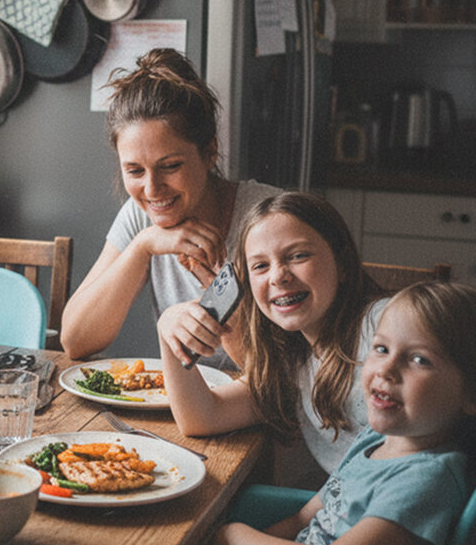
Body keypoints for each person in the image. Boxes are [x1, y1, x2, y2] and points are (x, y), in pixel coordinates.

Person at [208, 281, 476, 545]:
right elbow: (304, 520)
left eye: (419, 359)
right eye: (381, 349)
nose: (386, 369)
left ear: (475, 396)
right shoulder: (378, 439)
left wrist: (231, 537)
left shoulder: (423, 483)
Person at [60, 47, 281, 362]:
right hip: (190, 404)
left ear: (210, 152)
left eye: (170, 166)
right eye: (135, 171)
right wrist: (142, 246)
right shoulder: (141, 218)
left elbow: (283, 374)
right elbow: (75, 341)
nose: (152, 190)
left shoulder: (268, 218)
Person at [157, 192, 389, 480]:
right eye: (260, 266)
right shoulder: (294, 361)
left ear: (341, 263)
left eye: (298, 256)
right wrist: (168, 331)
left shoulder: (386, 325)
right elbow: (202, 417)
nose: (278, 276)